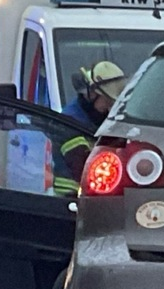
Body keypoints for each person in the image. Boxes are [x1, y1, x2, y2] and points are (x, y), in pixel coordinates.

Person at [53, 61, 126, 196]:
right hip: (69, 198)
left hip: (92, 195)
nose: (110, 109)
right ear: (92, 94)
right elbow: (82, 164)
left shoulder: (96, 117)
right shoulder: (70, 121)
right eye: (107, 101)